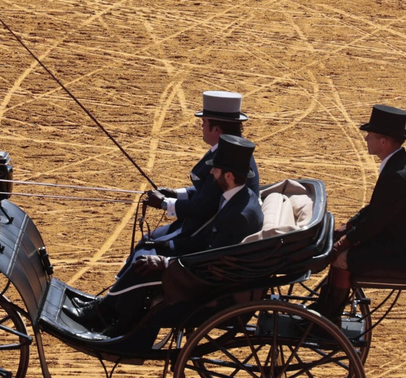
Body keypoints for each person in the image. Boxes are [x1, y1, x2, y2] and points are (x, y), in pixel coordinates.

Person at [71, 134, 263, 336]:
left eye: (215, 169)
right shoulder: (239, 197)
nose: (212, 172)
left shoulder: (239, 216)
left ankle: (118, 323)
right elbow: (207, 242)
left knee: (143, 267)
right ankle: (107, 308)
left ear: (229, 176)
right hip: (210, 268)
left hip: (209, 283)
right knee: (150, 245)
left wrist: (166, 263)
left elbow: (211, 258)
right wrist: (169, 247)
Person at [308, 104, 406, 322]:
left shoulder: (396, 175)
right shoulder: (398, 164)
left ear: (383, 141)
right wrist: (347, 227)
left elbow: (375, 222)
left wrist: (344, 242)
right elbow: (375, 209)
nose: (366, 139)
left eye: (370, 135)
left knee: (341, 259)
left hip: (400, 249)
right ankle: (324, 306)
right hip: (402, 238)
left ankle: (327, 319)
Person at [144, 90, 257, 239]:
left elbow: (202, 207)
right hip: (203, 222)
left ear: (216, 129)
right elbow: (208, 190)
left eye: (204, 123)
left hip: (203, 230)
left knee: (147, 241)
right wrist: (177, 193)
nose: (202, 127)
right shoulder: (235, 151)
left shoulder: (225, 161)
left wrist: (165, 203)